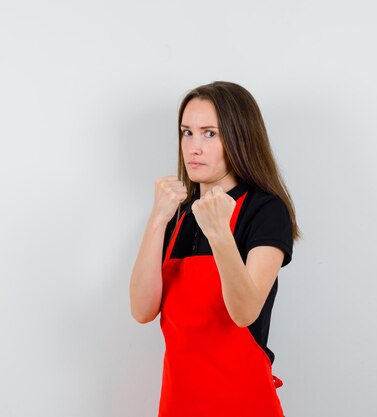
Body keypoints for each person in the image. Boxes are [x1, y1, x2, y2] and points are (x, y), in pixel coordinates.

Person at [129, 81, 301, 417]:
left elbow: (245, 311)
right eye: (187, 132)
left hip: (243, 404)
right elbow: (142, 310)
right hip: (179, 405)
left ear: (239, 138)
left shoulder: (265, 210)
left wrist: (219, 233)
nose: (193, 147)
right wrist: (157, 220)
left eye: (210, 134)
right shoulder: (177, 214)